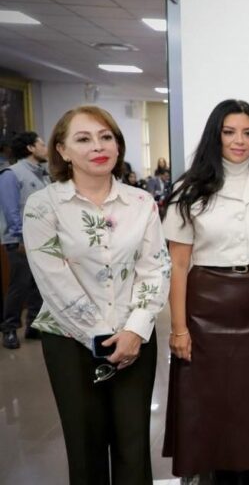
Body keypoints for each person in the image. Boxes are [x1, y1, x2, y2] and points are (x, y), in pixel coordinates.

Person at [22, 105, 170, 484]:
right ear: (62, 150)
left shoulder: (141, 203)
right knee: (85, 450)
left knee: (134, 448)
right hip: (70, 341)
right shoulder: (43, 205)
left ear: (118, 146)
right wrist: (101, 334)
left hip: (135, 337)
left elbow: (155, 267)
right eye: (83, 139)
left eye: (106, 137)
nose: (98, 147)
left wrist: (134, 329)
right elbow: (53, 279)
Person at [161, 99, 249, 484]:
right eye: (229, 132)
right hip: (206, 307)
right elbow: (178, 265)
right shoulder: (189, 189)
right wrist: (179, 328)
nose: (239, 141)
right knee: (216, 408)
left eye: (248, 133)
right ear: (216, 136)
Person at [1, 131, 50, 349]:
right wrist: (21, 236)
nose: (46, 148)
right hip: (19, 240)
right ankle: (10, 329)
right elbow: (11, 209)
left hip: (41, 239)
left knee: (38, 286)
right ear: (30, 148)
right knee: (19, 285)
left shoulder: (42, 175)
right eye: (42, 144)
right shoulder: (11, 174)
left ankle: (33, 326)